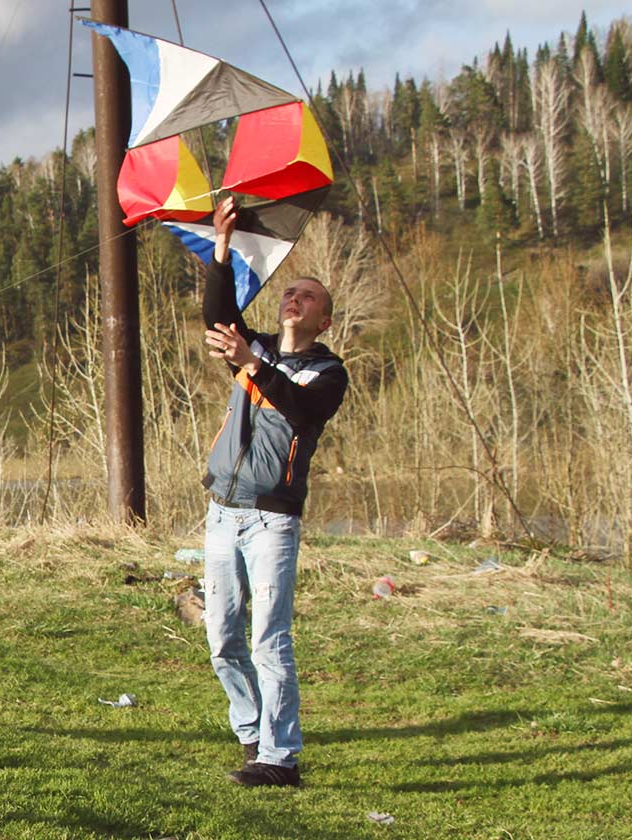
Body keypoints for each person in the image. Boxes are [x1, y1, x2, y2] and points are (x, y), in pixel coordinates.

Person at [198, 196, 349, 787]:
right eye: (290, 292)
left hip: (272, 522)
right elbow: (217, 312)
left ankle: (279, 759)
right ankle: (252, 733)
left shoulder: (326, 372)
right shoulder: (252, 348)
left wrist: (253, 366)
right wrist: (221, 246)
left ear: (324, 321)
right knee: (222, 640)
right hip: (221, 514)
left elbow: (300, 410)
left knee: (269, 639)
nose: (294, 298)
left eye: (308, 296)